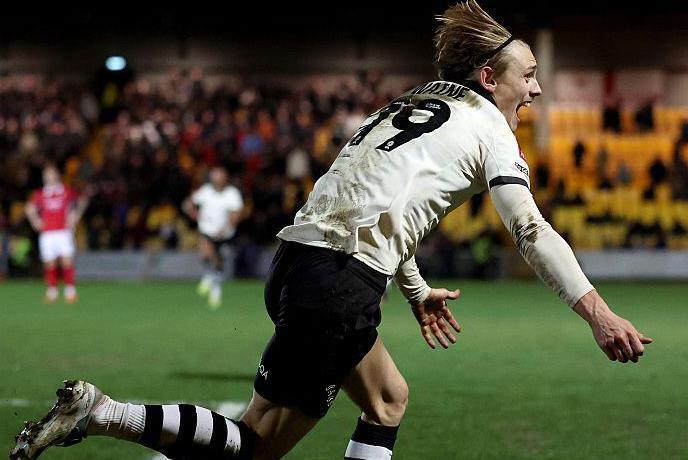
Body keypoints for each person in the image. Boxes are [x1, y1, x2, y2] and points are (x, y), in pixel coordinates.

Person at [10, 2, 653, 459]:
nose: (537, 88)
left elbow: (369, 198)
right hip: (338, 282)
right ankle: (102, 413)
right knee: (255, 443)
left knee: (388, 399)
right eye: (529, 75)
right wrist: (597, 314)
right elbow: (532, 232)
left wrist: (415, 288)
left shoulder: (412, 105)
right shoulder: (489, 130)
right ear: (490, 79)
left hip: (303, 262)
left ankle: (101, 413)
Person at [24, 164, 89, 304]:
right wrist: (35, 220)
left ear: (56, 175)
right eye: (46, 175)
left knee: (67, 261)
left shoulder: (65, 191)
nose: (49, 177)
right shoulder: (40, 194)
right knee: (50, 263)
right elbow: (29, 208)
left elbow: (82, 201)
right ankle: (52, 292)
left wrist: (75, 216)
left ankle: (70, 291)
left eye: (51, 174)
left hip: (63, 232)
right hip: (47, 233)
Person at [182, 166, 244, 309]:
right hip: (207, 231)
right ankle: (211, 281)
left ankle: (213, 284)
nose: (218, 180)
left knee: (218, 263)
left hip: (224, 235)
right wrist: (196, 216)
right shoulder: (205, 192)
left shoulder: (232, 194)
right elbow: (188, 204)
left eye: (221, 177)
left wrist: (227, 227)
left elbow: (237, 213)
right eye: (216, 177)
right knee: (206, 255)